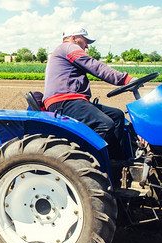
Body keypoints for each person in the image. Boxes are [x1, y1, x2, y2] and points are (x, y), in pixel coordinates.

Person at [42, 28, 135, 160]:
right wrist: (125, 79)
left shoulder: (63, 50)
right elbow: (95, 66)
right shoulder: (68, 47)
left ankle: (118, 162)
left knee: (117, 116)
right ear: (73, 37)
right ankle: (87, 162)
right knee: (104, 124)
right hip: (64, 101)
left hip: (72, 100)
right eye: (85, 41)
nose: (86, 45)